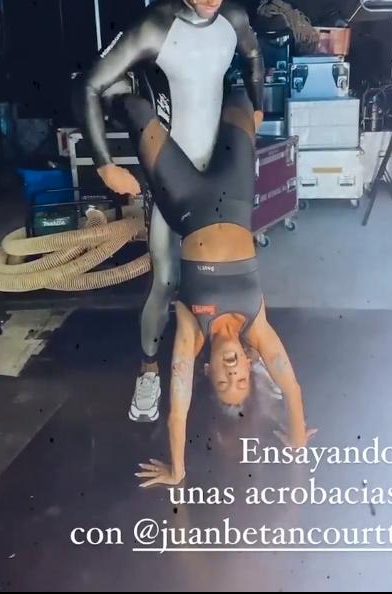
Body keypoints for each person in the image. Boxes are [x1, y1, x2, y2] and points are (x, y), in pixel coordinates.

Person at [76, 0, 264, 422]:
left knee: (226, 277)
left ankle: (236, 350)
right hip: (173, 174)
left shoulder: (233, 17)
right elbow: (89, 85)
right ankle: (148, 371)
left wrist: (259, 104)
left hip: (220, 175)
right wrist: (105, 164)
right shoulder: (154, 26)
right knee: (165, 281)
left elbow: (252, 55)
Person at [95, 84, 315, 487]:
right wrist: (298, 438)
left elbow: (178, 408)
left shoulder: (192, 333)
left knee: (135, 108)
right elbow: (292, 387)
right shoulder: (257, 326)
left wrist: (177, 471)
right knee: (240, 97)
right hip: (236, 194)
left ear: (208, 370)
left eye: (223, 382)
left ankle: (119, 94)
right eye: (242, 379)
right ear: (249, 363)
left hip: (188, 202)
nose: (232, 373)